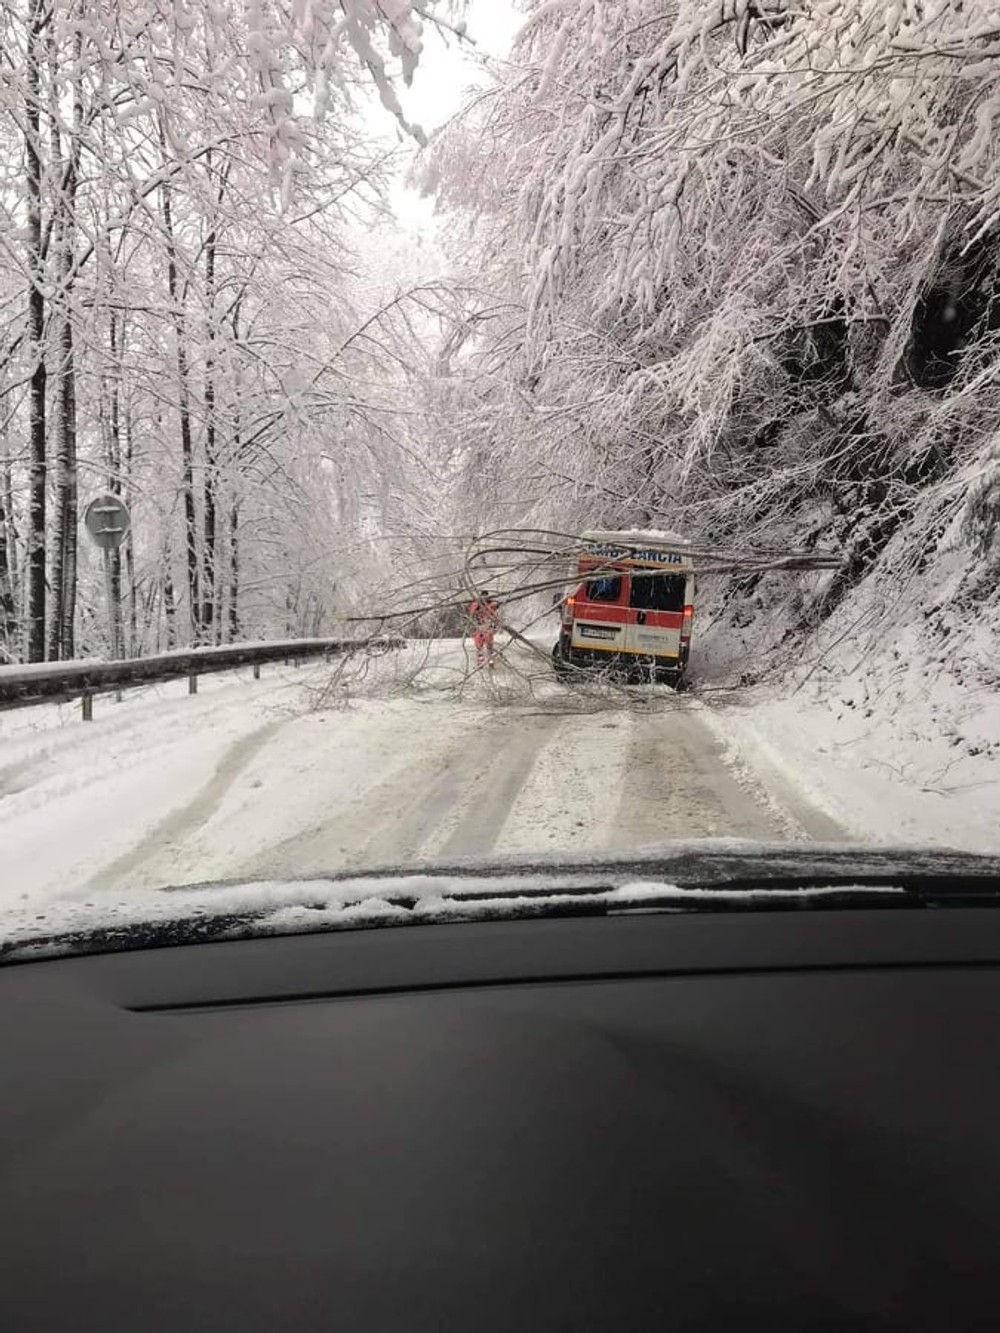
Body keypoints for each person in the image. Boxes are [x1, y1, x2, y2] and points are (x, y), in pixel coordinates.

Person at [468, 590, 501, 669]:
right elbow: (471, 611)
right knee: (479, 646)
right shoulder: (477, 604)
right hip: (479, 628)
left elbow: (496, 607)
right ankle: (481, 663)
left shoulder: (491, 604)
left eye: (486, 596)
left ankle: (490, 662)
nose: (485, 598)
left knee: (489, 646)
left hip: (488, 627)